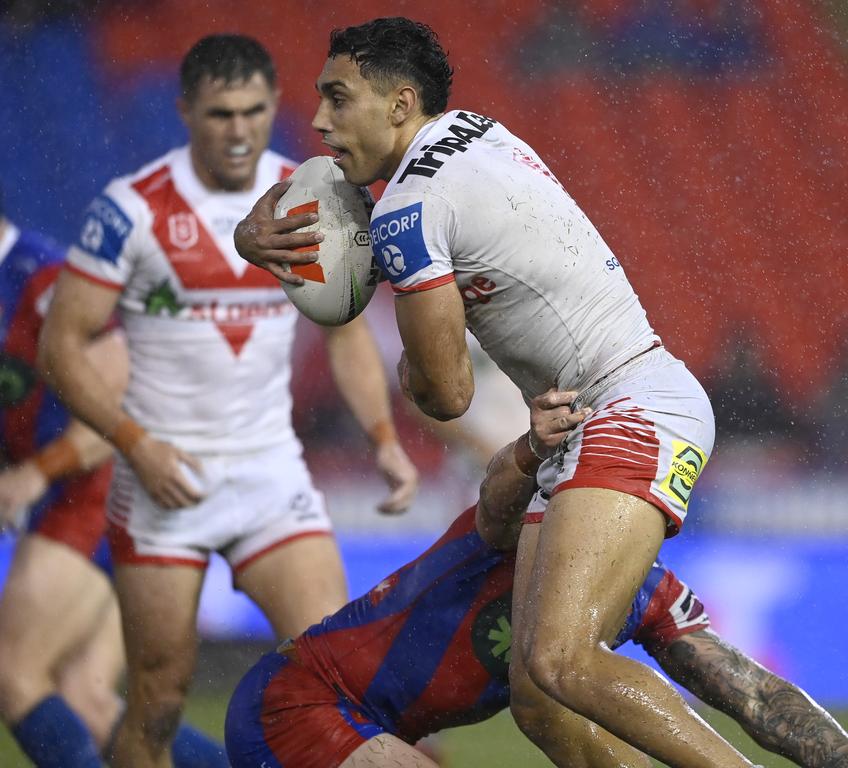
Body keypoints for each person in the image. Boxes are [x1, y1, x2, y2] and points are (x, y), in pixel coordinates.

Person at [233, 17, 745, 767]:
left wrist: (404, 349)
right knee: (543, 703)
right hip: (620, 401)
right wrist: (257, 235)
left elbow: (444, 394)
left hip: (618, 409)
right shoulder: (475, 129)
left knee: (563, 664)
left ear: (401, 104)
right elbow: (336, 187)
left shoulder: (408, 212)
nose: (319, 120)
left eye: (338, 99)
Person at [38, 34, 418, 768]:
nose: (238, 130)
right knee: (157, 699)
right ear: (185, 111)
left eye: (252, 110)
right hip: (161, 479)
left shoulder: (319, 197)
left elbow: (343, 334)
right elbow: (63, 346)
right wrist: (134, 443)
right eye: (219, 114)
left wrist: (383, 439)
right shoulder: (130, 210)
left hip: (270, 474)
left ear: (275, 104)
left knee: (341, 680)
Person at [224, 389, 848, 768]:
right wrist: (532, 446)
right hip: (304, 702)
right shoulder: (522, 534)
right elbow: (494, 504)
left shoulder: (645, 592)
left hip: (380, 728)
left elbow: (749, 693)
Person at [0, 206, 227, 766]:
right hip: (102, 491)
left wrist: (39, 472)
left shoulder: (39, 275)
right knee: (86, 697)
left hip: (96, 489)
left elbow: (125, 384)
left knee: (13, 668)